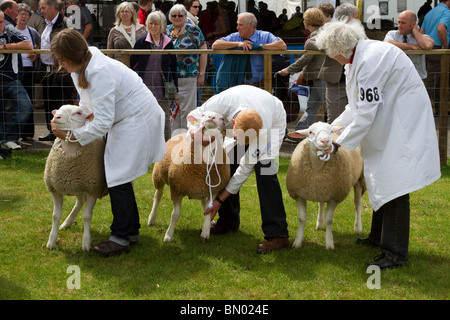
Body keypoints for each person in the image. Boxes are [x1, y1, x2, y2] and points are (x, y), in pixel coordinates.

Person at [315, 20, 441, 269]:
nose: (331, 58)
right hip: (390, 120)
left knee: (395, 185)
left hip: (401, 124)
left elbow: (365, 114)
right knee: (379, 180)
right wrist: (332, 128)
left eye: (330, 53)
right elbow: (355, 107)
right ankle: (377, 237)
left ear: (338, 48)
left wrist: (338, 145)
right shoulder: (358, 58)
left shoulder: (370, 61)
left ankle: (395, 254)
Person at [50, 29, 166, 257]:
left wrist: (72, 136)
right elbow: (88, 104)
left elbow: (102, 122)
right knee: (118, 174)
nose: (61, 65)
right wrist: (69, 117)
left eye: (62, 60)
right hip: (124, 118)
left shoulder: (99, 72)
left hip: (136, 118)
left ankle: (121, 237)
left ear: (73, 55)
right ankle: (130, 231)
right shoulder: (82, 66)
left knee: (117, 175)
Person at [188, 85, 289, 253]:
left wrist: (218, 201)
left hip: (274, 118)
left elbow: (244, 170)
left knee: (266, 171)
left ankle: (278, 234)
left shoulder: (262, 130)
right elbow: (193, 115)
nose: (243, 144)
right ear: (233, 123)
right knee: (229, 161)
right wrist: (194, 133)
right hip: (243, 103)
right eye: (240, 138)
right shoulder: (221, 102)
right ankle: (228, 221)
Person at [131, 10, 178, 141]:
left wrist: (176, 89)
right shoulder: (141, 42)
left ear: (162, 25)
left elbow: (173, 67)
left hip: (162, 88)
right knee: (144, 118)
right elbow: (132, 63)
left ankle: (165, 146)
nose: (153, 26)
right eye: (150, 23)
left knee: (164, 120)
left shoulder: (168, 43)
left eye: (156, 24)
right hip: (143, 88)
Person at [279, 8, 326, 131]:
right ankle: (300, 132)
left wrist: (289, 70)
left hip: (319, 76)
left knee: (327, 108)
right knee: (313, 106)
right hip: (319, 76)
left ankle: (332, 134)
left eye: (304, 20)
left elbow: (306, 58)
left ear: (308, 22)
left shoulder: (313, 40)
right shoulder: (322, 33)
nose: (303, 22)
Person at [211, 12, 286, 88]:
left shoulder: (264, 36)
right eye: (237, 24)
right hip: (238, 87)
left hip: (260, 86)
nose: (237, 28)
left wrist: (260, 46)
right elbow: (215, 45)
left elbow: (282, 46)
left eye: (240, 25)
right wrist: (238, 44)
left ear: (251, 26)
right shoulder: (235, 37)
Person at [166, 4, 207, 135]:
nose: (177, 18)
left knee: (188, 111)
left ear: (185, 16)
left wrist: (202, 74)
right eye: (174, 15)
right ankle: (174, 141)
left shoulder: (194, 30)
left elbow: (204, 51)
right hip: (170, 78)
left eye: (180, 15)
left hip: (188, 76)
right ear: (170, 17)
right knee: (173, 112)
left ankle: (187, 139)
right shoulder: (166, 30)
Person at [37, 0, 74, 142]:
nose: (42, 11)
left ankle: (66, 132)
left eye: (44, 8)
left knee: (62, 101)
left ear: (52, 6)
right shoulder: (46, 24)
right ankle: (52, 131)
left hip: (61, 70)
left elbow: (70, 43)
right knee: (49, 102)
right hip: (47, 70)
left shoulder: (65, 22)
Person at [316, 3, 358, 125]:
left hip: (355, 80)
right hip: (336, 81)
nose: (357, 21)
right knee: (335, 118)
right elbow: (311, 42)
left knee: (355, 117)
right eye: (355, 17)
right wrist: (332, 43)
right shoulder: (329, 28)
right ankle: (334, 142)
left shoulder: (358, 32)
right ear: (347, 17)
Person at [0, 10, 34, 151]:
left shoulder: (9, 32)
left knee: (26, 106)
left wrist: (4, 47)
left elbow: (28, 45)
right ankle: (3, 142)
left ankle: (10, 138)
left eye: (1, 22)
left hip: (11, 81)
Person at [15, 3, 41, 142]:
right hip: (16, 70)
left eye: (26, 14)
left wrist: (35, 52)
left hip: (29, 69)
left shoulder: (32, 32)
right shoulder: (10, 30)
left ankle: (28, 132)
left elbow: (38, 42)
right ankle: (16, 131)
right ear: (16, 16)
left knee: (29, 100)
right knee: (16, 101)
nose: (24, 16)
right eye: (22, 14)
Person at [384, 10, 434, 80]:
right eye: (398, 22)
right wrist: (411, 46)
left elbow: (427, 46)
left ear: (413, 24)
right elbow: (386, 43)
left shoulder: (422, 38)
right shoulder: (393, 34)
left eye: (403, 23)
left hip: (417, 79)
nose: (399, 26)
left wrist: (416, 32)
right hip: (397, 79)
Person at [420, 0, 450, 115]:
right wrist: (444, 45)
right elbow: (441, 28)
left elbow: (421, 31)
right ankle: (425, 111)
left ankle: (438, 111)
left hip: (429, 49)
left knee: (435, 80)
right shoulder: (446, 12)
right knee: (434, 81)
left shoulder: (430, 13)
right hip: (439, 49)